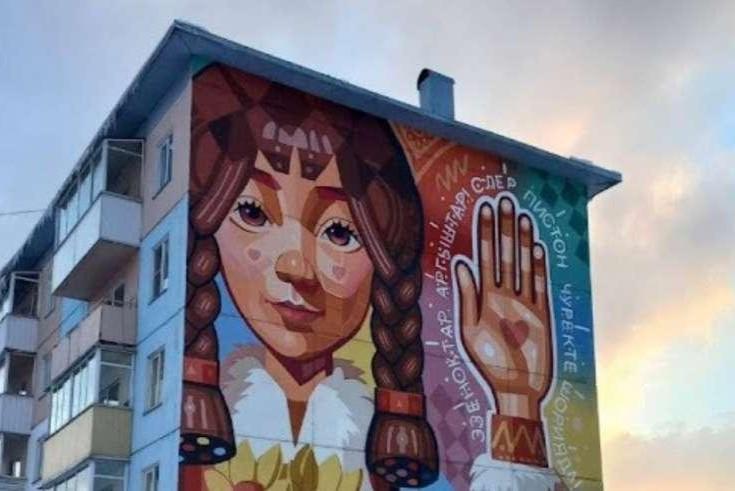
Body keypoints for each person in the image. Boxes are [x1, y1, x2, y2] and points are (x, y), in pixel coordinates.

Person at [179, 64, 438, 490]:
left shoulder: (384, 453)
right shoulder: (190, 436)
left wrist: (514, 402)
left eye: (339, 232)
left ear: (387, 257)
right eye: (253, 212)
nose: (295, 266)